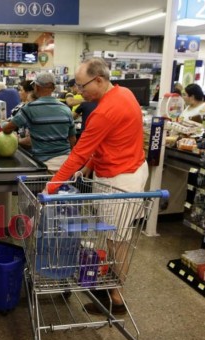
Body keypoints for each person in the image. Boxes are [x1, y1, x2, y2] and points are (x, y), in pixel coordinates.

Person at [46, 57, 149, 316]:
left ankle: (116, 298)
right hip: (129, 168)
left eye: (82, 86)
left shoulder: (104, 111)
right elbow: (109, 142)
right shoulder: (123, 93)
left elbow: (78, 153)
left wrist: (52, 186)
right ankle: (111, 288)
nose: (79, 91)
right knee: (117, 238)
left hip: (120, 179)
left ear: (99, 80)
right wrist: (89, 166)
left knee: (118, 241)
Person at [0, 72, 76, 172]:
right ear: (53, 88)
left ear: (36, 87)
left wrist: (3, 125)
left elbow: (7, 130)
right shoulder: (66, 109)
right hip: (65, 164)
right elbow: (72, 140)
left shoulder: (30, 108)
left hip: (44, 165)